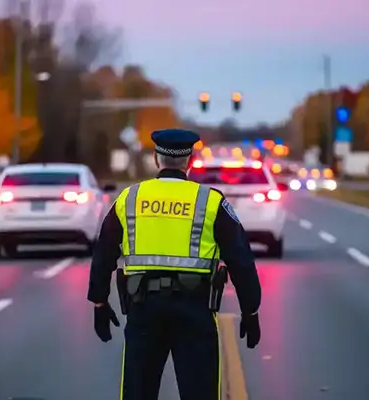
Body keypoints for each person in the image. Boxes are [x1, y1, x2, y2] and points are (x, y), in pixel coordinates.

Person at [87, 128, 262, 400]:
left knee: (138, 393)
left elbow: (104, 252)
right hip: (194, 311)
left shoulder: (129, 198)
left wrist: (99, 301)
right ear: (190, 161)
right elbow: (240, 259)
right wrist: (250, 310)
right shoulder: (210, 201)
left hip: (143, 310)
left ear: (156, 160)